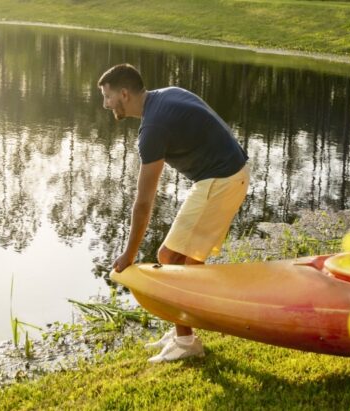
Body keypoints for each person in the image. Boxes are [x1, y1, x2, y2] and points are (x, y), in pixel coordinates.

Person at [99, 63, 250, 363]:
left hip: (222, 179)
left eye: (107, 96)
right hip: (230, 173)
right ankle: (184, 333)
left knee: (169, 258)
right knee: (187, 265)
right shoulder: (165, 96)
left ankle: (186, 342)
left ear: (124, 94)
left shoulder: (153, 129)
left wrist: (129, 255)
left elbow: (143, 203)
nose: (105, 104)